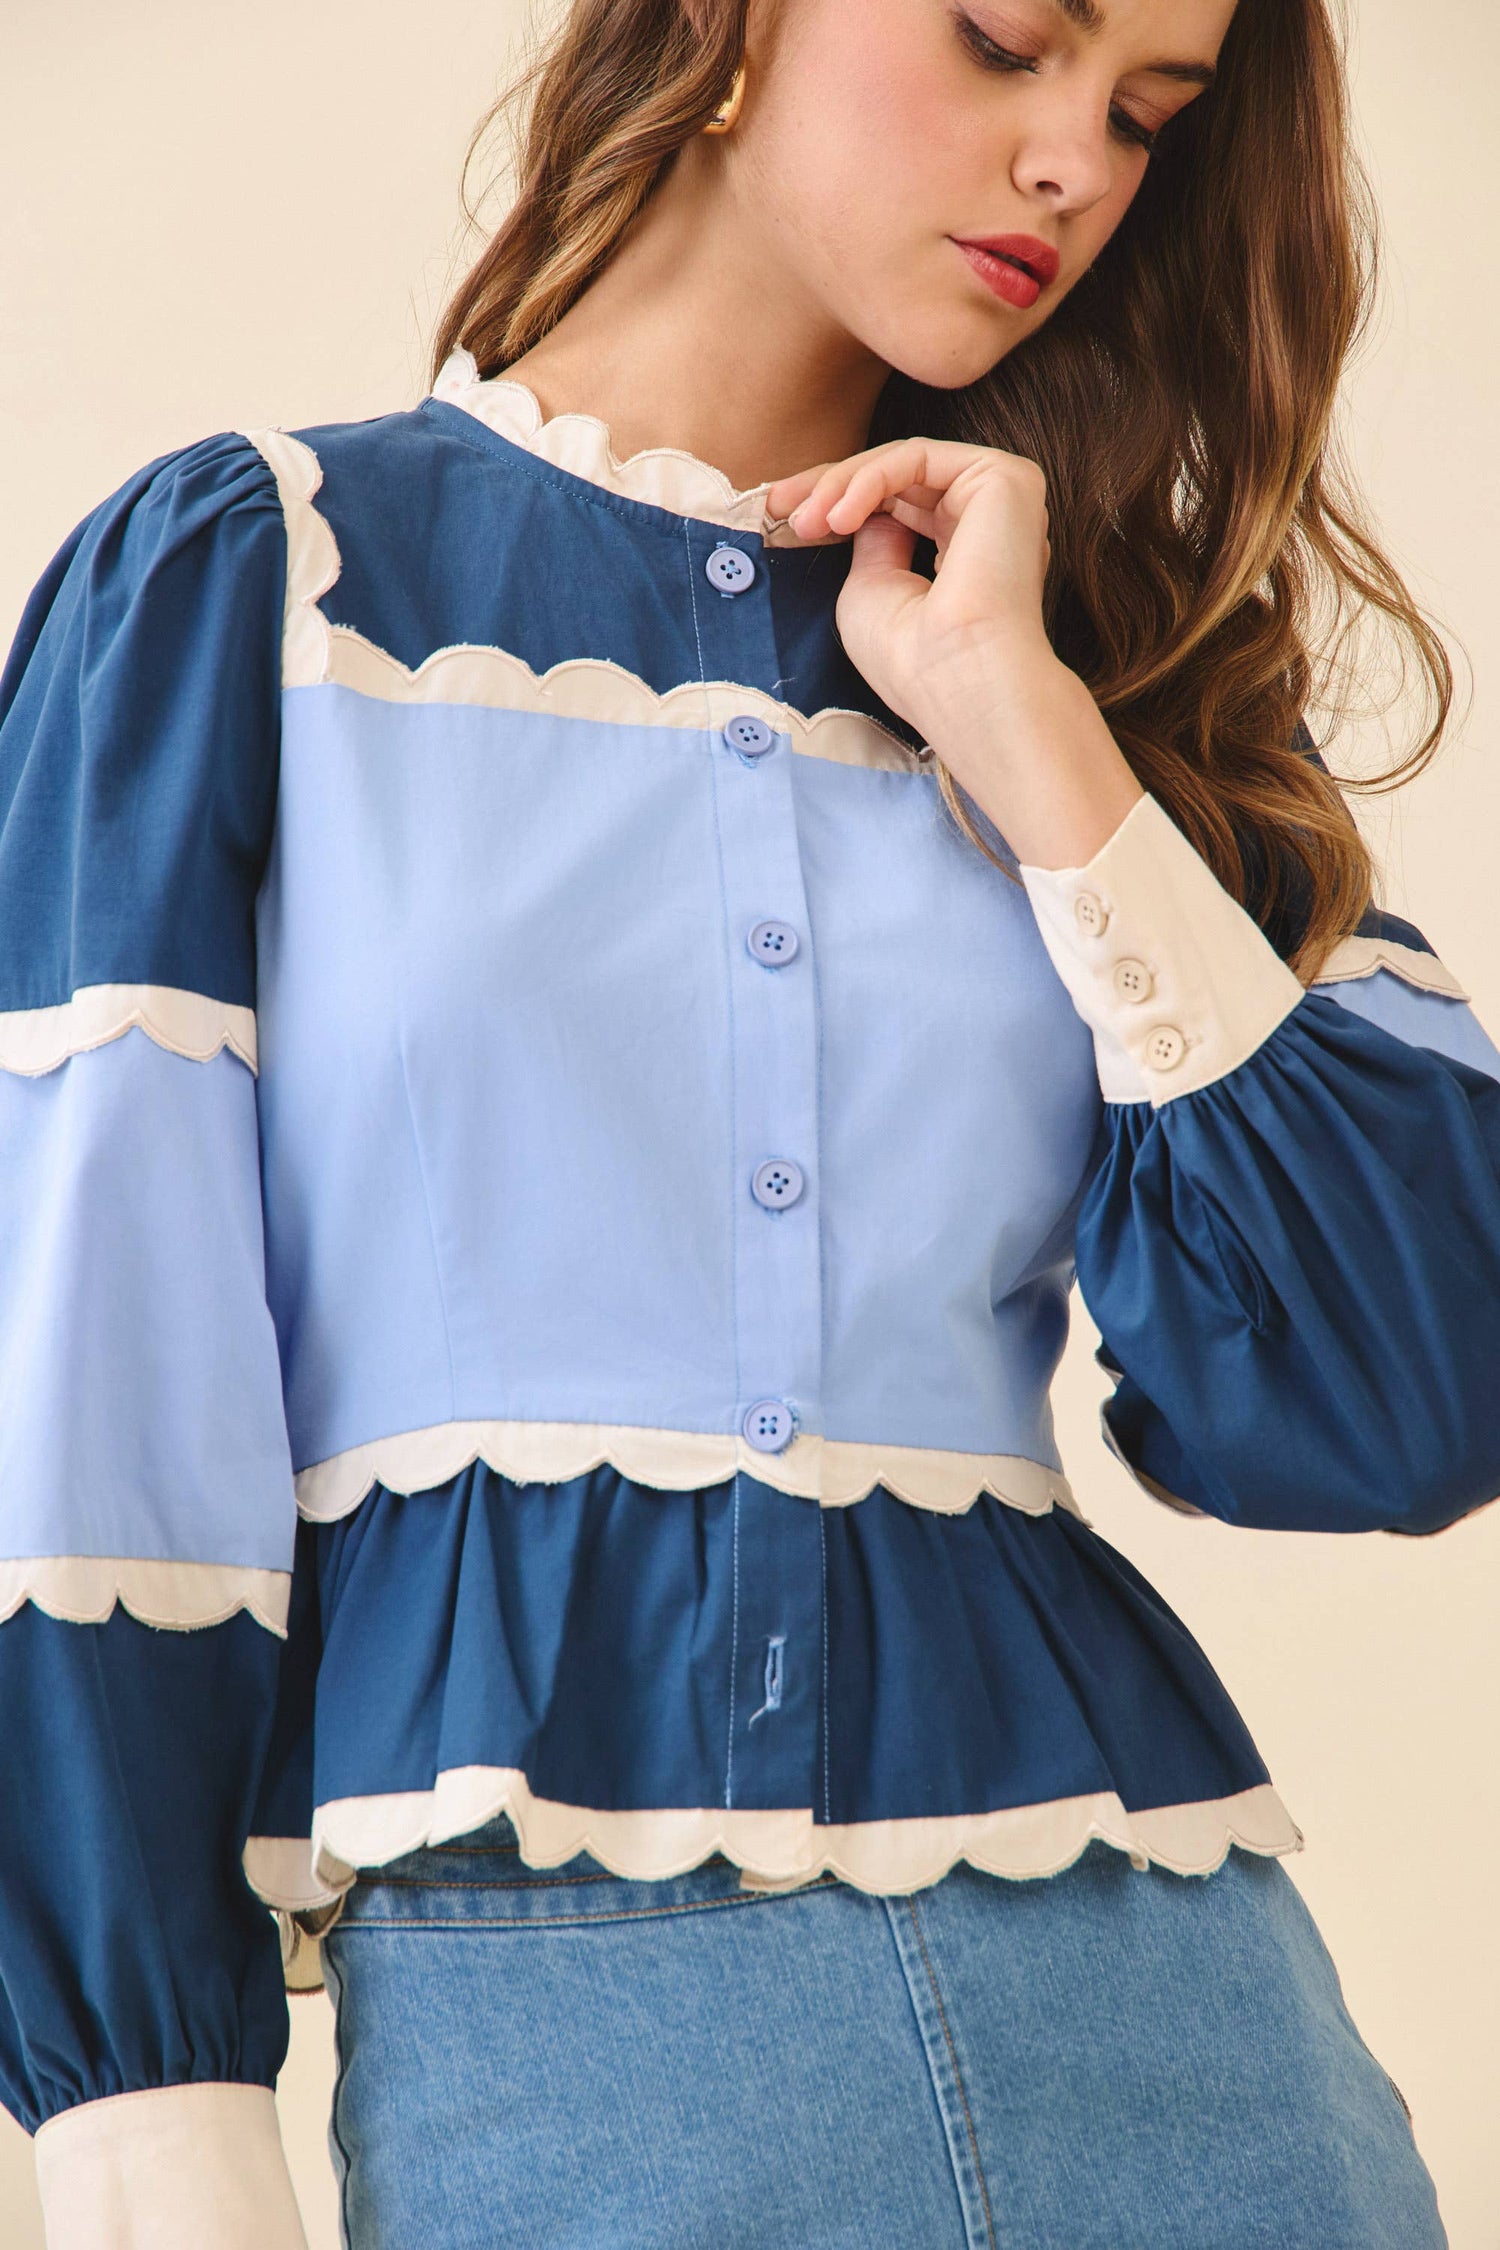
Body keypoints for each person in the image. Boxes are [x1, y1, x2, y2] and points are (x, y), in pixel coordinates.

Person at [1, 0, 1496, 2240]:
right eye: (1007, 40)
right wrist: (149, 2145)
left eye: (1146, 115)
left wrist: (1028, 728)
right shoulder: (261, 582)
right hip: (564, 2041)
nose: (1076, 162)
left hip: (1189, 2033)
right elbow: (81, 1412)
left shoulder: (1105, 675)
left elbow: (1415, 1392)